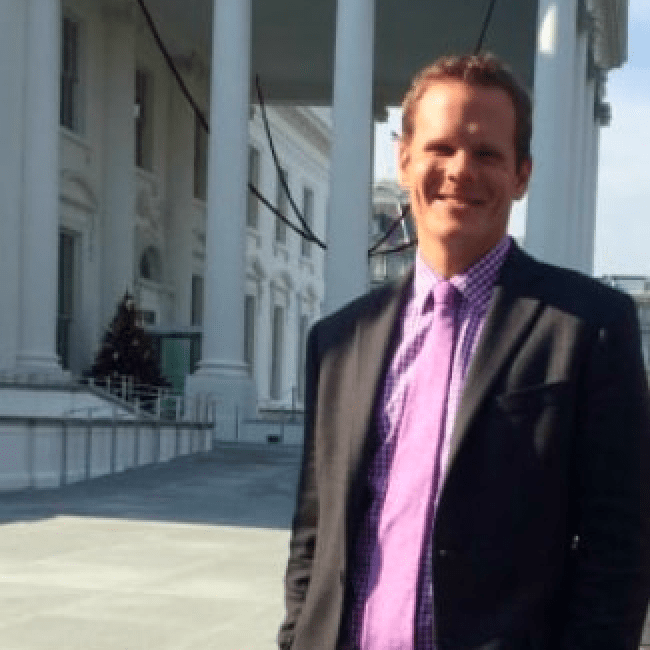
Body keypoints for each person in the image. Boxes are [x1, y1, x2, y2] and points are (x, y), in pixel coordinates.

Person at [278, 53, 650, 650]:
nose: (460, 171)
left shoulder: (588, 328)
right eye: (441, 148)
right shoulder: (340, 340)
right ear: (404, 160)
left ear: (521, 174)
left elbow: (619, 551)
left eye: (487, 154)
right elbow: (314, 535)